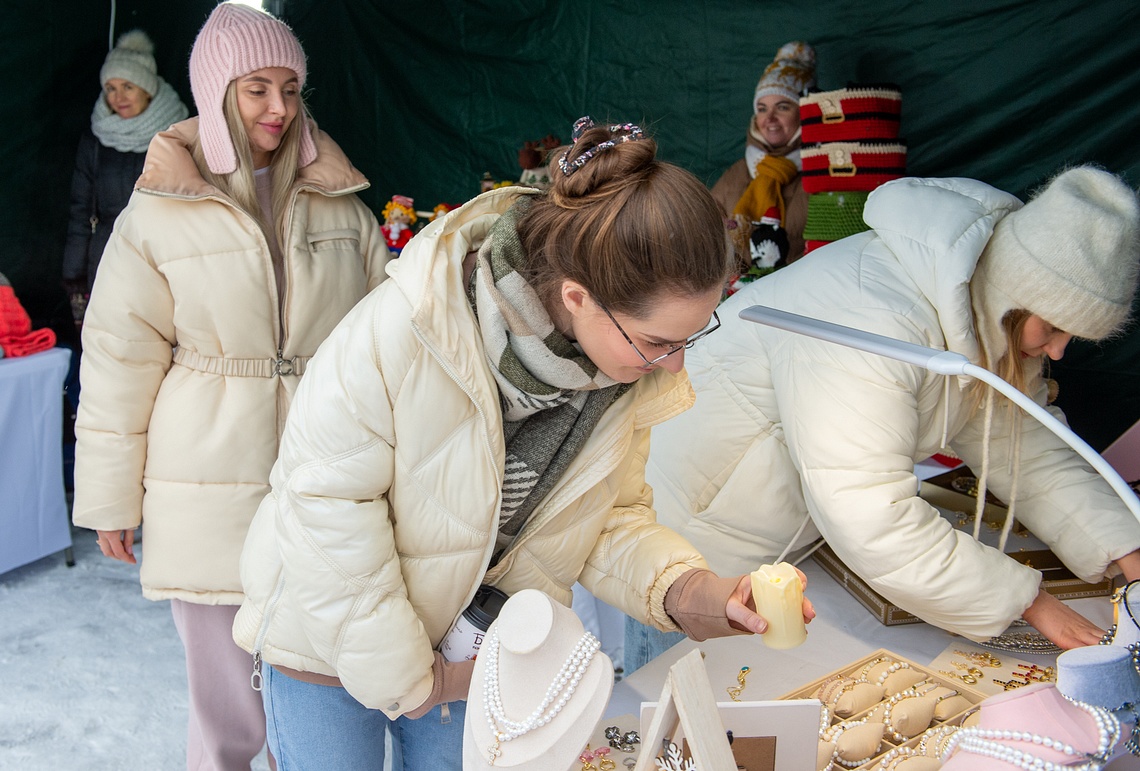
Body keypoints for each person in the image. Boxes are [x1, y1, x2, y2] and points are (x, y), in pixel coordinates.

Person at [232, 116, 814, 770]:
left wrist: (693, 590)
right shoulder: (407, 328)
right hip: (323, 645)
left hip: (470, 653)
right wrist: (411, 678)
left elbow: (607, 519)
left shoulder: (613, 379)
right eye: (658, 342)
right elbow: (327, 506)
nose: (675, 365)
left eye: (691, 336)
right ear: (577, 296)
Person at [626, 166, 1140, 672]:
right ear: (1014, 295)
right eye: (1052, 327)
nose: (1059, 350)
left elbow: (1027, 447)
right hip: (689, 538)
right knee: (681, 708)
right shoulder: (871, 317)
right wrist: (1028, 603)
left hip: (771, 530)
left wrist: (1127, 546)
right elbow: (872, 517)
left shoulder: (984, 313)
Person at [70, 4, 392, 769]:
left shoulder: (343, 207)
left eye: (290, 88)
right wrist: (111, 497)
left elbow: (391, 341)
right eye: (257, 89)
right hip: (205, 485)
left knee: (315, 701)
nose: (279, 107)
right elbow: (118, 357)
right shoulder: (157, 213)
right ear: (217, 91)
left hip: (323, 488)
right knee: (227, 719)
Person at [62, 29, 188, 324]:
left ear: (147, 89)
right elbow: (81, 211)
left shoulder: (178, 134)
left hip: (163, 259)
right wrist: (74, 277)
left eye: (127, 86)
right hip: (107, 259)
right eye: (110, 88)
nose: (118, 97)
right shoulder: (95, 140)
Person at [711, 41, 815, 273]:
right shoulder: (737, 173)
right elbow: (703, 236)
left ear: (803, 112)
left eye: (783, 107)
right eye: (762, 108)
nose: (770, 118)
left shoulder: (818, 173)